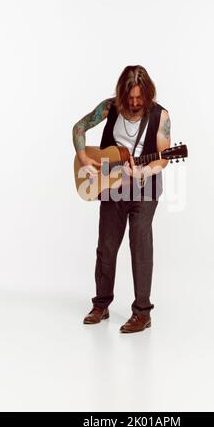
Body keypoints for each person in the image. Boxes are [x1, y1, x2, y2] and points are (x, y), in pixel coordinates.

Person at [72, 65, 171, 333]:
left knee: (140, 246)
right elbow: (79, 127)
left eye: (140, 97)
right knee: (106, 246)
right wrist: (83, 157)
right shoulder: (110, 107)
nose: (135, 103)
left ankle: (142, 313)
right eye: (131, 98)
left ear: (147, 93)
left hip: (144, 188)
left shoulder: (160, 116)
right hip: (113, 186)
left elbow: (163, 157)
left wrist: (143, 171)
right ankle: (101, 304)